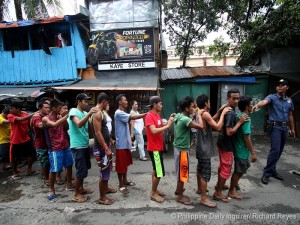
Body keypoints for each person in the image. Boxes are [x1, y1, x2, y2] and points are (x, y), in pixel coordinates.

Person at [253, 79, 295, 185]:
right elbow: (264, 101)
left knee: (279, 151)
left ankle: (273, 171)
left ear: (287, 87)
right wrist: (258, 105)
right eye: (278, 85)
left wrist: (292, 128)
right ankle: (267, 173)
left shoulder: (289, 101)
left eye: (282, 85)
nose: (280, 87)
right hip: (275, 127)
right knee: (275, 150)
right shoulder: (272, 97)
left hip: (285, 128)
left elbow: (290, 115)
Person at [195, 95, 231, 208]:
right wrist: (224, 114)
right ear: (206, 103)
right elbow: (217, 127)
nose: (210, 103)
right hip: (205, 149)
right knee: (205, 174)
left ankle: (199, 189)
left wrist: (219, 111)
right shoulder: (204, 114)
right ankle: (204, 199)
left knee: (200, 169)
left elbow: (211, 120)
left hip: (200, 147)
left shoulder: (200, 113)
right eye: (209, 101)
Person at [213, 88, 247, 203]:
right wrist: (240, 122)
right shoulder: (231, 113)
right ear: (228, 98)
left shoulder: (225, 108)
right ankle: (217, 193)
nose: (236, 101)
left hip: (221, 143)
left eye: (238, 98)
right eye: (234, 98)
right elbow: (229, 132)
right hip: (226, 145)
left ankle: (219, 186)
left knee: (222, 167)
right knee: (226, 169)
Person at [68, 93, 99, 203]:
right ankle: (76, 194)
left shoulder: (85, 113)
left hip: (85, 144)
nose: (87, 103)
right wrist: (89, 113)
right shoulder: (73, 111)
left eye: (87, 101)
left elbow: (91, 125)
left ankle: (81, 188)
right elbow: (79, 124)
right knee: (80, 170)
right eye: (85, 101)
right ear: (79, 101)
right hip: (77, 145)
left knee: (85, 169)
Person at [173, 96, 204, 205]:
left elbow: (174, 116)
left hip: (178, 147)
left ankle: (178, 190)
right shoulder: (186, 119)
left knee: (180, 171)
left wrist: (194, 109)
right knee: (183, 172)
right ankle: (180, 196)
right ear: (186, 108)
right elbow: (201, 126)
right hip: (182, 149)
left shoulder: (179, 115)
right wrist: (199, 114)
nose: (194, 108)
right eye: (191, 106)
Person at [114, 94, 147, 194]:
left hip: (125, 142)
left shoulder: (122, 112)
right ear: (120, 102)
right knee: (121, 165)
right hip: (121, 144)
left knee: (125, 164)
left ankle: (125, 180)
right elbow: (133, 117)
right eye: (125, 100)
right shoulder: (119, 113)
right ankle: (121, 184)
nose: (127, 102)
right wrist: (145, 114)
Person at [145, 96, 175, 203]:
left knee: (155, 169)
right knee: (159, 172)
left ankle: (155, 189)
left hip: (159, 147)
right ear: (155, 105)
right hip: (154, 149)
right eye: (160, 104)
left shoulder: (157, 115)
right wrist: (168, 126)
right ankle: (153, 193)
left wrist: (169, 120)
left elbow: (161, 125)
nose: (162, 105)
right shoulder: (149, 116)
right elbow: (153, 131)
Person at [42, 99, 73, 202]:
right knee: (54, 169)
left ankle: (69, 184)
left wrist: (64, 118)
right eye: (59, 108)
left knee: (69, 165)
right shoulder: (46, 119)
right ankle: (52, 189)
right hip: (55, 148)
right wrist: (66, 116)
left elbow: (67, 127)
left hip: (65, 144)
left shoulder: (60, 116)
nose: (61, 110)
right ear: (54, 108)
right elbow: (54, 125)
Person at [228, 96, 257, 200]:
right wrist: (253, 152)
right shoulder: (246, 119)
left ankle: (235, 184)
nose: (252, 106)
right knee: (239, 170)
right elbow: (246, 138)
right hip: (241, 149)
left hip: (238, 147)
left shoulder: (239, 115)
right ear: (246, 106)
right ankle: (231, 191)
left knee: (243, 166)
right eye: (251, 104)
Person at [92, 92, 116, 205]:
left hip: (105, 146)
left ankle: (105, 189)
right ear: (104, 101)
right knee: (104, 171)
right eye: (107, 102)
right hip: (101, 148)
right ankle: (102, 197)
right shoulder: (97, 113)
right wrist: (106, 147)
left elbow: (104, 129)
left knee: (107, 169)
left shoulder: (101, 112)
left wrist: (109, 140)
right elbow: (97, 133)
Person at [8, 102, 38, 180]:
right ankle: (15, 173)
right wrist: (34, 114)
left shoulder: (25, 114)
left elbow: (29, 126)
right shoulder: (10, 115)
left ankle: (29, 170)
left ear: (18, 109)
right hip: (15, 140)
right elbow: (20, 119)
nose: (10, 110)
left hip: (26, 138)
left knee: (31, 155)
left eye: (12, 108)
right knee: (14, 158)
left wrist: (34, 134)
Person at [31, 101, 51, 186]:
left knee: (49, 161)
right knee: (44, 162)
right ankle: (46, 178)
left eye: (48, 107)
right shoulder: (37, 117)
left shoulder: (46, 116)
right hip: (41, 143)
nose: (48, 109)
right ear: (40, 108)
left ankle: (48, 176)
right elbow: (39, 125)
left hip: (48, 142)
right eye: (45, 107)